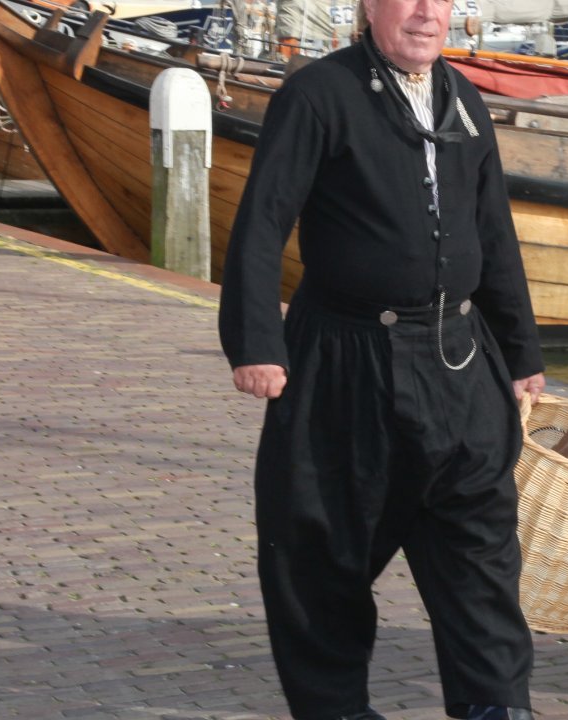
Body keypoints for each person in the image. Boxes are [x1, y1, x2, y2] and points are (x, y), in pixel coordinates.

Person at [216, 0, 544, 716]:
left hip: (459, 359)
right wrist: (254, 342)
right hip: (346, 360)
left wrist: (520, 350)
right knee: (322, 548)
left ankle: (496, 704)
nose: (427, 13)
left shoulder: (464, 99)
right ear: (370, 6)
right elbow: (264, 217)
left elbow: (494, 229)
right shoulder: (317, 94)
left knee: (480, 552)